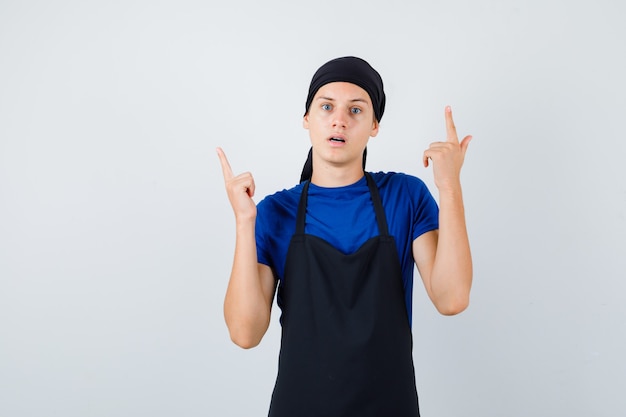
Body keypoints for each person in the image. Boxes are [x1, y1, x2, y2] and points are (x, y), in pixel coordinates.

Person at [217, 56, 473, 417]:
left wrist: (449, 187)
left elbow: (452, 298)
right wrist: (245, 223)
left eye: (356, 110)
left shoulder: (405, 197)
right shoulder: (276, 212)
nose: (339, 119)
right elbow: (245, 333)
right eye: (326, 107)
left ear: (374, 126)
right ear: (307, 119)